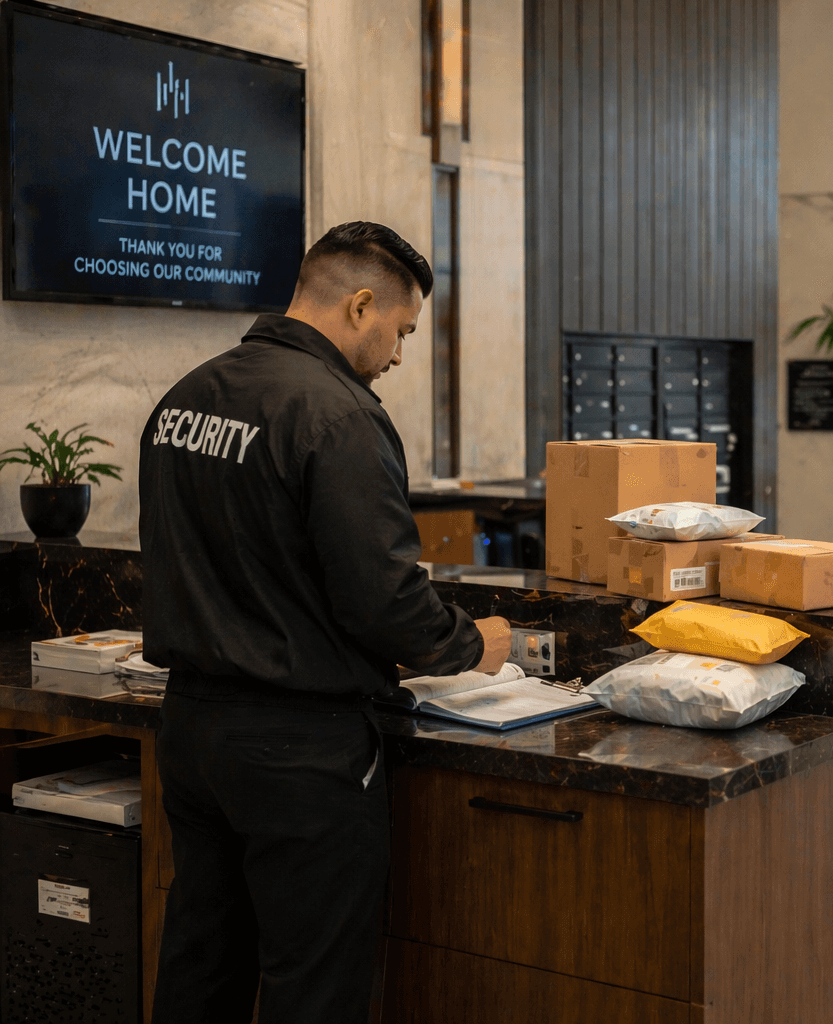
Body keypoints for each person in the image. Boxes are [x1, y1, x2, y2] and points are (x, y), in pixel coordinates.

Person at [139, 221, 513, 1023]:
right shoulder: (339, 415)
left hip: (193, 732)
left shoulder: (185, 397)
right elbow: (382, 600)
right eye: (401, 332)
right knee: (315, 987)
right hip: (300, 753)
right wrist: (474, 644)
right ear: (361, 304)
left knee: (202, 964)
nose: (400, 355)